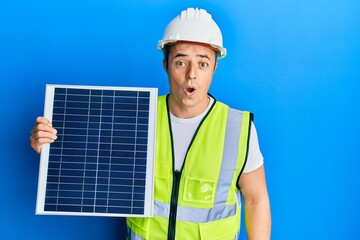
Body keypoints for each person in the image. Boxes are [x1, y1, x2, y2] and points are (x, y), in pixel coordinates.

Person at [30, 7, 271, 240]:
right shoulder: (135, 113)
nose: (191, 74)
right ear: (165, 65)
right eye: (180, 62)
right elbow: (93, 165)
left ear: (215, 68)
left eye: (203, 63)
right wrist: (52, 149)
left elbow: (255, 199)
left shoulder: (237, 128)